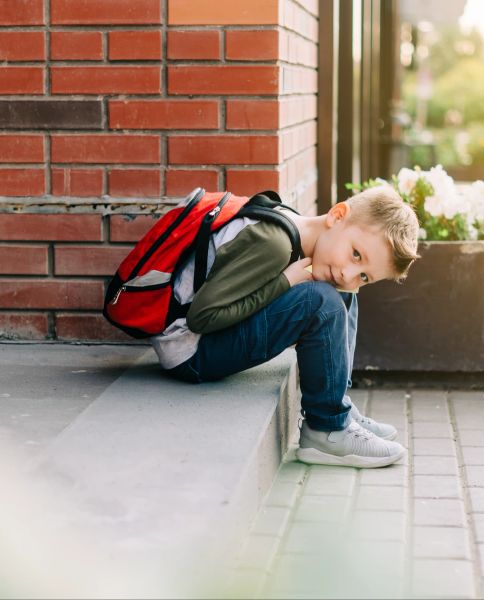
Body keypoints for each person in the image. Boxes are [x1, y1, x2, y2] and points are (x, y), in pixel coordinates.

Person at [155, 186, 420, 468]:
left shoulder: (302, 233)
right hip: (189, 350)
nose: (350, 273)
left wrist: (294, 282)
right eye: (356, 255)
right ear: (337, 215)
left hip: (208, 336)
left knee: (344, 292)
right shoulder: (275, 243)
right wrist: (286, 282)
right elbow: (202, 317)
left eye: (365, 276)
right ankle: (326, 429)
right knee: (323, 301)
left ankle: (336, 402)